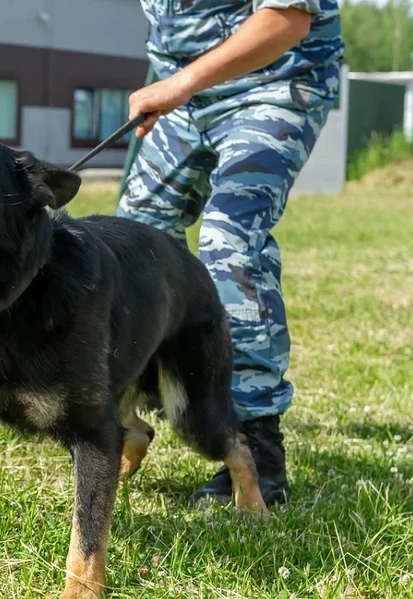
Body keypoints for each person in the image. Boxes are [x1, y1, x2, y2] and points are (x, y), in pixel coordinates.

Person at [116, 0, 344, 505]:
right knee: (133, 241)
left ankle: (256, 444)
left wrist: (180, 83)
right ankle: (139, 403)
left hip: (276, 81)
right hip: (185, 99)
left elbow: (287, 20)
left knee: (229, 240)